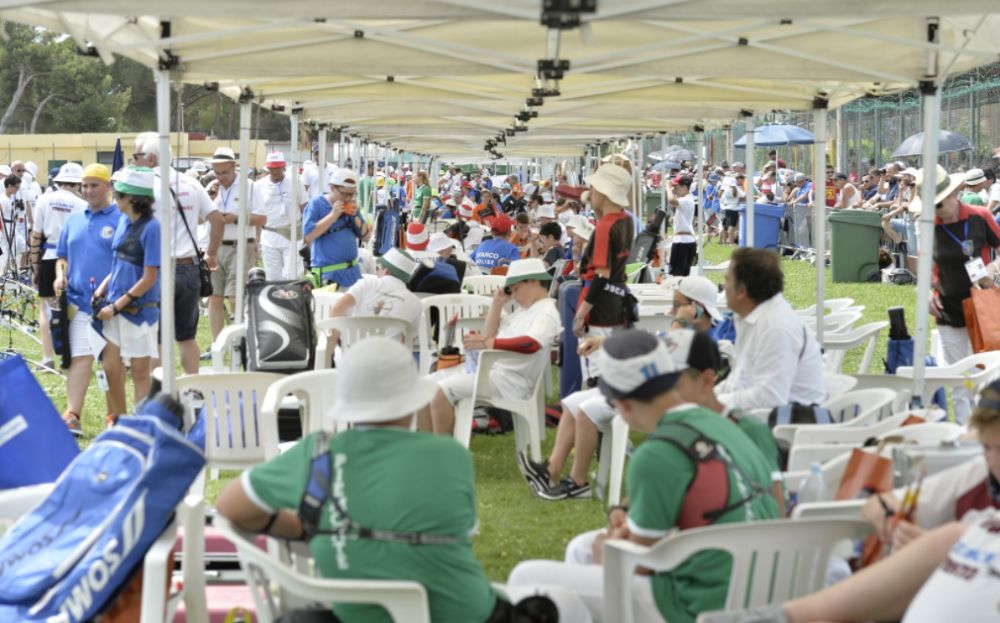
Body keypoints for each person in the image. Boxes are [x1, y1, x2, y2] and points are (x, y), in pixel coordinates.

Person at [217, 337, 591, 622]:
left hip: (357, 616)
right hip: (464, 613)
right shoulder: (450, 456)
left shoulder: (317, 453)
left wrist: (308, 527)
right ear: (412, 400)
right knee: (570, 605)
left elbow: (229, 506)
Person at [508, 330, 780, 623]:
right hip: (767, 588)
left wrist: (607, 548)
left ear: (621, 405)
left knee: (528, 578)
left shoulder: (659, 452)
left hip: (700, 605)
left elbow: (635, 563)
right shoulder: (732, 424)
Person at [424, 258, 560, 435]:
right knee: (423, 387)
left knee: (440, 392)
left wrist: (490, 343)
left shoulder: (545, 312)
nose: (515, 296)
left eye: (516, 289)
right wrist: (496, 304)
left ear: (533, 282)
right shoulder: (525, 310)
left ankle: (442, 452)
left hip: (511, 382)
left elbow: (531, 343)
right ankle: (426, 446)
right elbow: (487, 337)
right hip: (493, 373)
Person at [132, 131, 223, 374]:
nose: (134, 162)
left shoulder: (146, 186)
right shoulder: (191, 183)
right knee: (186, 336)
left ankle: (161, 394)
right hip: (190, 267)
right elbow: (217, 219)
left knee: (158, 338)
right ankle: (191, 386)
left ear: (151, 159)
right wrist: (211, 254)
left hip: (157, 268)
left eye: (136, 156)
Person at [922, 164, 1000, 424]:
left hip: (982, 305)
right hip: (947, 307)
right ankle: (967, 434)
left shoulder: (979, 217)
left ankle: (990, 432)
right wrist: (927, 293)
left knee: (988, 374)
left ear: (953, 195)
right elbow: (927, 265)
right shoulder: (929, 225)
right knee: (958, 378)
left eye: (937, 205)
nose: (935, 212)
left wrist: (992, 269)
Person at [53, 164, 121, 435]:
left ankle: (114, 415)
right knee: (80, 358)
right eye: (85, 185)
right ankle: (72, 414)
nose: (89, 190)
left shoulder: (121, 219)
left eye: (95, 185)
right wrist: (61, 274)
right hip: (79, 303)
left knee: (110, 363)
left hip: (112, 306)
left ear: (108, 187)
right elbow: (62, 256)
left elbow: (126, 261)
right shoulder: (74, 219)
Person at [714, 248, 825, 410]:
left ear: (742, 291)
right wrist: (707, 397)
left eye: (727, 281)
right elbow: (739, 380)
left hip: (788, 426)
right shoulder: (752, 318)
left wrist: (713, 403)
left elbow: (770, 397)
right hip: (761, 417)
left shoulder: (776, 326)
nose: (724, 287)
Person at [92, 166, 160, 420]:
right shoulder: (122, 221)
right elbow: (118, 262)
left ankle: (140, 424)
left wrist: (117, 306)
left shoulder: (152, 228)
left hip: (138, 311)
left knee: (141, 371)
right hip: (114, 306)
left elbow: (149, 277)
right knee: (110, 368)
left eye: (118, 194)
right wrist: (102, 288)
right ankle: (118, 419)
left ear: (133, 198)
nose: (114, 198)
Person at [30, 162, 88, 371]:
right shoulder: (81, 204)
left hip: (48, 256)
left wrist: (34, 264)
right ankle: (71, 353)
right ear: (77, 183)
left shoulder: (44, 199)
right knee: (71, 308)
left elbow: (36, 235)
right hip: (72, 258)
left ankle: (47, 358)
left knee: (47, 309)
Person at [208, 147, 266, 341]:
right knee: (214, 297)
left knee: (235, 297)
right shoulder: (212, 188)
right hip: (216, 247)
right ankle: (217, 344)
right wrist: (211, 197)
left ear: (235, 167)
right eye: (217, 173)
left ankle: (239, 340)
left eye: (224, 172)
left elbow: (263, 218)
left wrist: (236, 218)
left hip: (240, 245)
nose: (221, 177)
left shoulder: (249, 186)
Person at [327, 247, 421, 344]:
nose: (376, 272)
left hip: (352, 355)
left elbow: (338, 308)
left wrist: (332, 346)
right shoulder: (416, 303)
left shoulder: (366, 283)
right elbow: (409, 341)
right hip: (389, 358)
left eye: (379, 268)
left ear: (386, 270)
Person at [303, 167, 369, 289]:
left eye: (352, 194)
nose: (349, 198)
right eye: (345, 194)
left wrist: (356, 217)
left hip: (352, 273)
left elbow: (366, 237)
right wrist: (333, 216)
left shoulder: (351, 205)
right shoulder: (317, 204)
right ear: (332, 188)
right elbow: (308, 236)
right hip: (329, 275)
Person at [253, 151, 308, 281]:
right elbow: (257, 213)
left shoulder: (296, 181)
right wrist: (256, 238)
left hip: (293, 234)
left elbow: (304, 207)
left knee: (291, 275)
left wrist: (307, 232)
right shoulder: (259, 186)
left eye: (278, 168)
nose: (275, 171)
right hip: (269, 236)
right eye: (272, 168)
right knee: (273, 277)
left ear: (283, 166)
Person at [666, 175, 697, 276]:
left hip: (683, 241)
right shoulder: (685, 199)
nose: (674, 190)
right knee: (679, 274)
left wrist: (667, 187)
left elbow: (671, 200)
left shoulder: (687, 199)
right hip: (683, 240)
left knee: (678, 274)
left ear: (684, 187)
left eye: (676, 187)